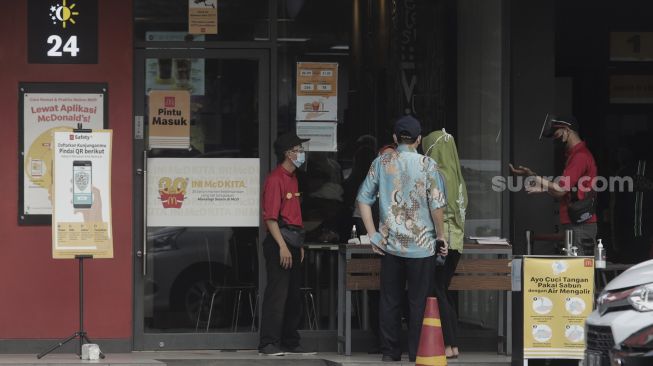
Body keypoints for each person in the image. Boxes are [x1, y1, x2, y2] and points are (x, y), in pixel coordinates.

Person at [357, 115, 448, 362]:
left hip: (390, 245)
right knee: (419, 302)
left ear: (395, 139)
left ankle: (390, 352)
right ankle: (417, 352)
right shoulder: (429, 165)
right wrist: (440, 236)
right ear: (419, 140)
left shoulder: (381, 162)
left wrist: (373, 235)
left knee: (390, 301)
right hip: (422, 247)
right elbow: (436, 205)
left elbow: (363, 199)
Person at [258, 132, 316, 356]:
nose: (302, 153)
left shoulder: (294, 178)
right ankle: (268, 343)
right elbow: (271, 219)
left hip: (292, 241)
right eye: (299, 150)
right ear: (288, 154)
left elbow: (294, 216)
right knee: (277, 294)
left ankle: (290, 341)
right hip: (278, 242)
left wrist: (297, 245)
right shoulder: (275, 179)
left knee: (293, 295)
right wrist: (283, 246)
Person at [510, 115, 598, 255]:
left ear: (566, 130)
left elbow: (561, 189)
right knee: (574, 272)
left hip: (581, 224)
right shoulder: (574, 155)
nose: (555, 139)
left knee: (579, 274)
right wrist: (544, 186)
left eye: (556, 134)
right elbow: (561, 192)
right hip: (575, 222)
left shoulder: (579, 156)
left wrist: (534, 177)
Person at [422, 128, 468, 359]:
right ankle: (453, 344)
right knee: (443, 290)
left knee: (437, 290)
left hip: (442, 240)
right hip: (457, 241)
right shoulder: (458, 175)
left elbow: (435, 208)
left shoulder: (437, 174)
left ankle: (450, 343)